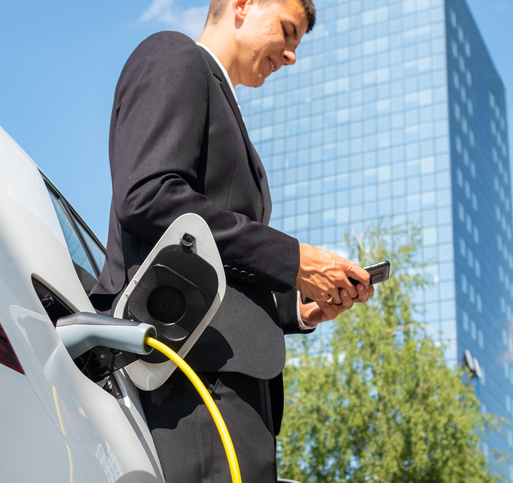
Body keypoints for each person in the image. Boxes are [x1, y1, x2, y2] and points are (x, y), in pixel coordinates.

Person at [90, 0, 374, 481]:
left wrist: (296, 308)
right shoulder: (173, 55)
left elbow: (216, 256)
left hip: (225, 377)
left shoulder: (219, 99)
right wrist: (291, 258)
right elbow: (149, 196)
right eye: (287, 30)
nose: (291, 55)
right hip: (191, 372)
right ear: (241, 6)